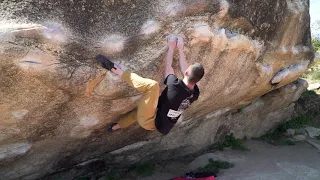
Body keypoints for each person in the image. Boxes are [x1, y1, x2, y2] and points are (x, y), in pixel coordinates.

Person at [96, 35, 204, 135]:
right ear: (197, 81)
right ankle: (115, 127)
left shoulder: (174, 86)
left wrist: (171, 47)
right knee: (138, 113)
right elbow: (187, 72)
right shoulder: (195, 93)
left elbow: (168, 67)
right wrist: (180, 49)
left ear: (186, 73)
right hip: (160, 123)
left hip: (150, 119)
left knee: (152, 86)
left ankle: (117, 70)